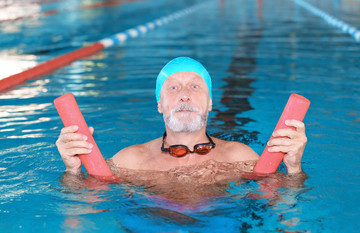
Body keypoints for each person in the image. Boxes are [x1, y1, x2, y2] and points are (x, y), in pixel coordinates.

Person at [56, 57, 307, 178]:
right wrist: (73, 171)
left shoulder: (241, 157)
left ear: (210, 103)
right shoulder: (130, 159)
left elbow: (281, 206)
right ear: (160, 105)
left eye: (195, 87)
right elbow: (84, 212)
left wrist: (294, 168)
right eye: (173, 88)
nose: (184, 95)